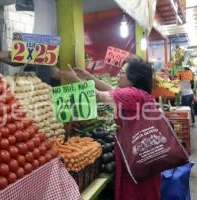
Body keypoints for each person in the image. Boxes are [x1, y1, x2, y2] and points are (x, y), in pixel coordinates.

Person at [62, 57, 161, 200]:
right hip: (142, 154)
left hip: (137, 157)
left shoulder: (131, 94)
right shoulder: (139, 93)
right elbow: (110, 89)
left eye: (122, 73)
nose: (119, 76)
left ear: (133, 78)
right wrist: (89, 77)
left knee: (136, 193)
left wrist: (74, 79)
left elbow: (98, 96)